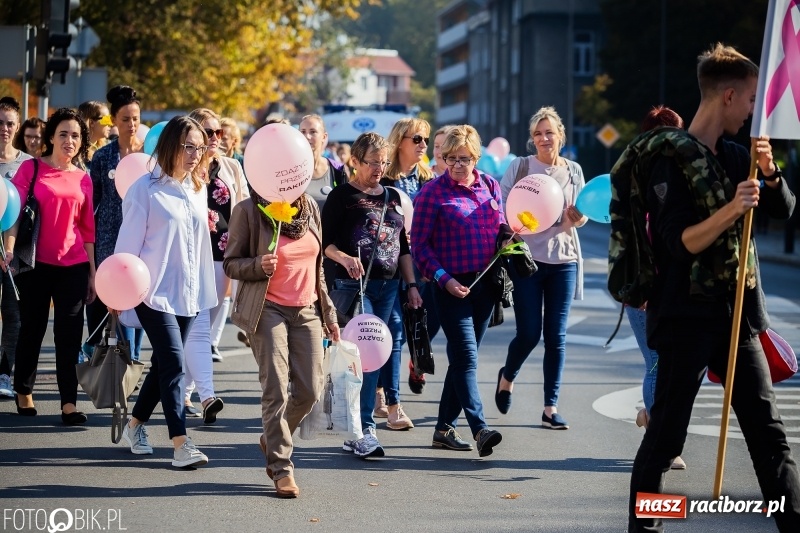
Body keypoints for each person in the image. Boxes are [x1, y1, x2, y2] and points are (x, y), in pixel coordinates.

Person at [623, 43, 799, 532]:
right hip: (684, 318)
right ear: (727, 95)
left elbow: (784, 210)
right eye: (747, 101)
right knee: (665, 439)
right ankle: (645, 525)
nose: (750, 111)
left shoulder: (741, 155)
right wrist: (731, 209)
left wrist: (769, 173)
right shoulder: (670, 161)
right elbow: (680, 243)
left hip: (738, 316)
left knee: (770, 436)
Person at [114, 116, 216, 468]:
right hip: (151, 292)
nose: (194, 154)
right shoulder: (145, 189)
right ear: (171, 145)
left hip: (187, 292)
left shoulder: (197, 189)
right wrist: (117, 293)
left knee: (163, 364)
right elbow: (127, 246)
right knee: (173, 361)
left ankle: (135, 425)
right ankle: (180, 443)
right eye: (188, 146)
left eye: (199, 147)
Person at [224, 188, 340, 498]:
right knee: (274, 387)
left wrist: (329, 313)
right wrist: (256, 265)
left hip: (308, 309)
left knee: (310, 390)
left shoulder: (309, 208)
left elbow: (318, 269)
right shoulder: (248, 210)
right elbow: (231, 263)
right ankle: (281, 466)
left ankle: (272, 436)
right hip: (267, 308)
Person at [322, 132, 422, 457]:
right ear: (355, 161)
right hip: (354, 286)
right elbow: (326, 244)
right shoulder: (341, 197)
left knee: (375, 358)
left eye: (383, 162)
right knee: (361, 359)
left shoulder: (392, 195)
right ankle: (362, 429)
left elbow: (403, 245)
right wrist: (345, 258)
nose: (378, 168)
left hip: (388, 286)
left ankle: (359, 429)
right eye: (372, 162)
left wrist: (412, 285)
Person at [411, 124, 508, 457]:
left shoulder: (491, 186)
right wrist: (443, 278)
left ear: (476, 157)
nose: (457, 165)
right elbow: (419, 246)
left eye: (464, 158)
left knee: (463, 359)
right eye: (451, 158)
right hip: (450, 286)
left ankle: (442, 429)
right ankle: (480, 428)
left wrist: (509, 237)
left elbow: (497, 229)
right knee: (466, 355)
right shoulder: (432, 193)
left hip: (484, 286)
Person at [495, 106, 587, 430]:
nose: (544, 138)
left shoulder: (574, 171)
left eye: (549, 132)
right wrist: (509, 231)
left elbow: (582, 212)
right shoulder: (520, 168)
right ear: (532, 139)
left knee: (556, 337)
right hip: (527, 261)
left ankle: (550, 407)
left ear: (560, 135)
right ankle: (507, 376)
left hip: (564, 261)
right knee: (529, 333)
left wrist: (578, 219)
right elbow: (502, 209)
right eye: (538, 133)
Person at [5, 107, 95, 425]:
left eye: (75, 135)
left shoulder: (84, 178)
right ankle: (23, 389)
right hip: (35, 265)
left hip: (74, 266)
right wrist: (9, 250)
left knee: (69, 335)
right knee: (33, 329)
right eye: (63, 134)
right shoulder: (30, 170)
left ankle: (68, 402)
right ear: (51, 137)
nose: (69, 140)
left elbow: (87, 230)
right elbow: (14, 215)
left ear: (81, 141)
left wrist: (93, 273)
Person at [181, 107, 249, 422]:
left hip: (224, 256)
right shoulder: (184, 166)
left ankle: (190, 392)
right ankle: (190, 394)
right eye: (208, 132)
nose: (214, 138)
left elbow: (244, 206)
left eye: (217, 132)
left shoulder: (231, 167)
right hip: (192, 255)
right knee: (193, 326)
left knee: (206, 329)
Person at [629, 105, 686, 471]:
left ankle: (651, 418)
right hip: (643, 287)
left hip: (679, 287)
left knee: (672, 364)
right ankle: (663, 445)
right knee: (657, 361)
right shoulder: (635, 176)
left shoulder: (685, 172)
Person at [379, 117, 439, 403]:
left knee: (420, 321)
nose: (423, 144)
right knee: (393, 327)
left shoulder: (429, 179)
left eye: (425, 139)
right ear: (399, 141)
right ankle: (384, 392)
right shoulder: (384, 180)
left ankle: (417, 360)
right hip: (389, 262)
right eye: (416, 139)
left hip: (421, 262)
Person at [86, 86, 145, 363]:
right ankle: (106, 364)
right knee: (109, 307)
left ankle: (131, 362)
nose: (132, 125)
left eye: (135, 118)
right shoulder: (102, 157)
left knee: (138, 304)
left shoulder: (151, 157)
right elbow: (92, 204)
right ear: (114, 121)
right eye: (125, 119)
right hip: (109, 240)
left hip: (143, 241)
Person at [0, 96, 29, 399]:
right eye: (0, 122)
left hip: (12, 256)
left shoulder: (26, 164)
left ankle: (4, 373)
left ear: (17, 126)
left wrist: (8, 248)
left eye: (9, 123)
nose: (4, 128)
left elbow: (20, 213)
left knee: (13, 316)